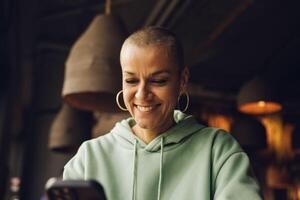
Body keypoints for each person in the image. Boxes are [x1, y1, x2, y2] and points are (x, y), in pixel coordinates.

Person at [63, 26, 263, 200]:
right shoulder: (89, 157)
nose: (142, 95)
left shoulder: (218, 150)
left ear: (182, 80)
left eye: (158, 81)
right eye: (131, 81)